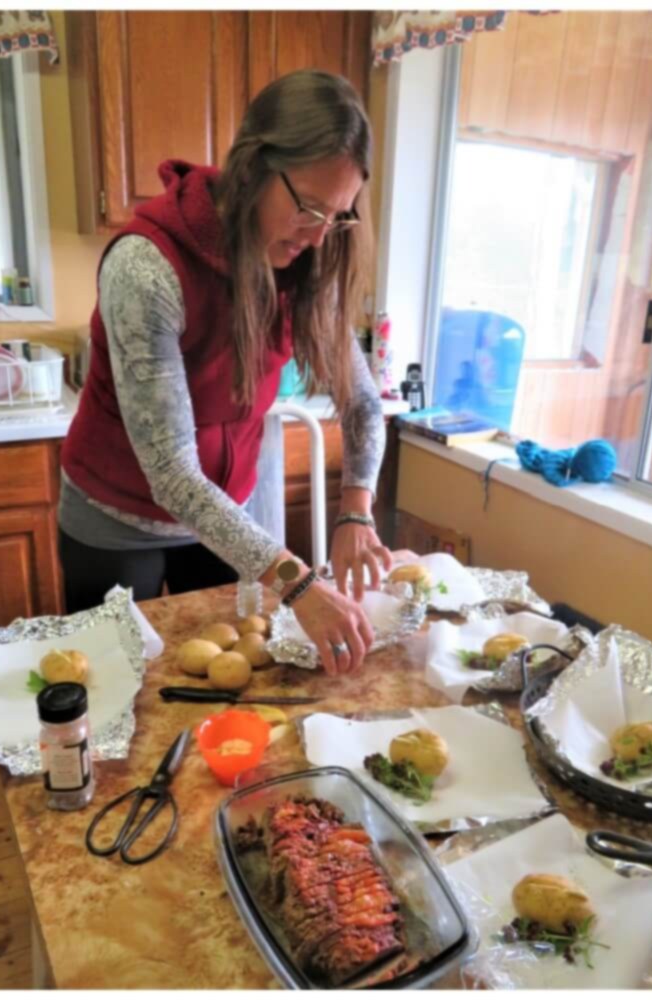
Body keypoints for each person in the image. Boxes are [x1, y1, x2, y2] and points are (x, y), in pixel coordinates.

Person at [58, 70, 389, 675]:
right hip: (115, 521)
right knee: (111, 688)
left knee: (235, 680)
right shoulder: (147, 267)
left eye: (337, 216)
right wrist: (297, 581)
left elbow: (364, 405)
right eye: (309, 207)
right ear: (254, 167)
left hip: (224, 523)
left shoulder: (305, 263)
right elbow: (173, 477)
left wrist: (356, 510)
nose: (318, 237)